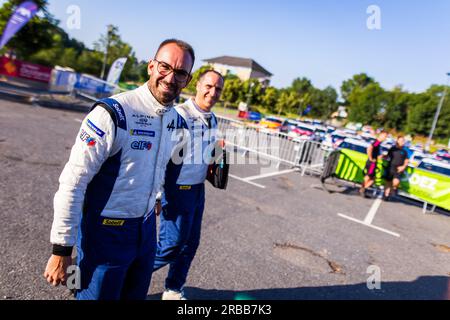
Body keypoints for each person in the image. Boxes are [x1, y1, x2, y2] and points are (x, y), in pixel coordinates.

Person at [43, 39, 195, 300]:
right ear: (151, 66)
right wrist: (61, 249)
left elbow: (160, 168)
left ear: (187, 80)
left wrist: (156, 198)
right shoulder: (113, 113)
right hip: (104, 232)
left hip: (146, 232)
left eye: (180, 72)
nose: (170, 77)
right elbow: (73, 182)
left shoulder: (176, 121)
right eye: (165, 67)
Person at [153, 70, 225, 300]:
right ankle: (125, 277)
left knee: (190, 244)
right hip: (177, 189)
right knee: (170, 246)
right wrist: (156, 194)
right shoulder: (179, 115)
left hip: (197, 190)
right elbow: (162, 155)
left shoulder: (212, 118)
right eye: (209, 86)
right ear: (197, 85)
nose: (212, 93)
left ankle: (173, 289)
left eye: (218, 89)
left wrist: (219, 158)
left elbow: (207, 153)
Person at [359, 131, 388, 197]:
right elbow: (369, 148)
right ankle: (363, 189)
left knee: (371, 177)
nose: (385, 138)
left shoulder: (379, 143)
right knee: (370, 177)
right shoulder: (377, 142)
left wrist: (381, 156)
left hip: (373, 162)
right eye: (384, 136)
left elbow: (375, 153)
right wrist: (370, 158)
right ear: (380, 135)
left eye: (386, 137)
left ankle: (363, 189)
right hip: (372, 163)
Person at [383, 136, 410, 201]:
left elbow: (407, 160)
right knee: (388, 182)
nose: (402, 142)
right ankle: (386, 195)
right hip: (390, 167)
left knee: (396, 182)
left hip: (398, 169)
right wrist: (382, 156)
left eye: (403, 141)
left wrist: (403, 167)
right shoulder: (392, 148)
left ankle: (394, 189)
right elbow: (387, 156)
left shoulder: (405, 150)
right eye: (400, 140)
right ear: (397, 141)